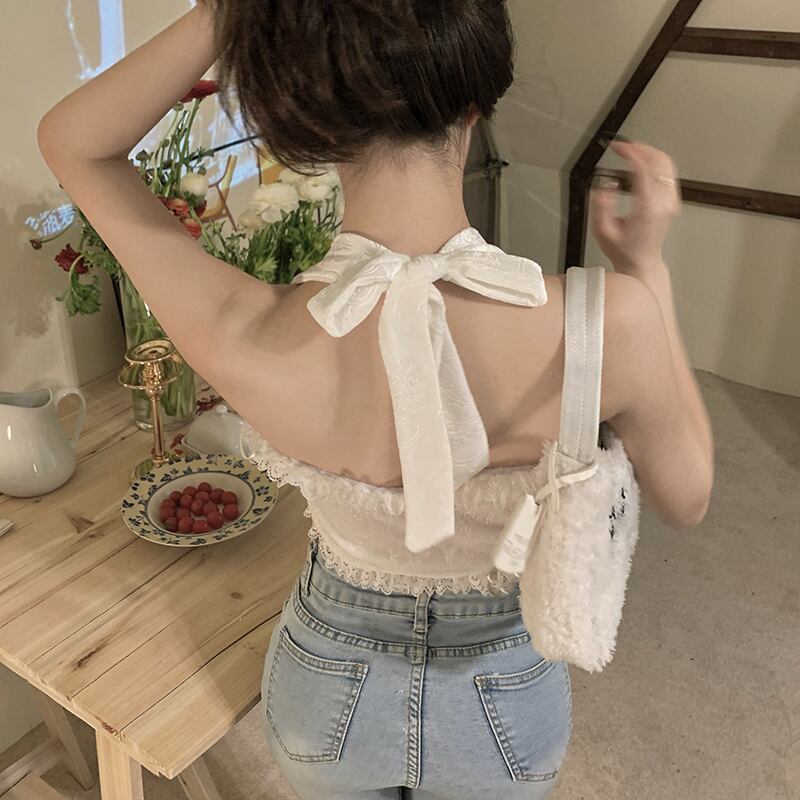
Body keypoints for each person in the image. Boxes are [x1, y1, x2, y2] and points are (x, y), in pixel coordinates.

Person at [37, 2, 714, 797]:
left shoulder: (244, 331)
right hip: (504, 695)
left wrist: (236, 11)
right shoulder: (610, 321)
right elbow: (689, 497)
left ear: (308, 127)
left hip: (325, 689)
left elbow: (74, 143)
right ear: (476, 103)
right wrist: (648, 270)